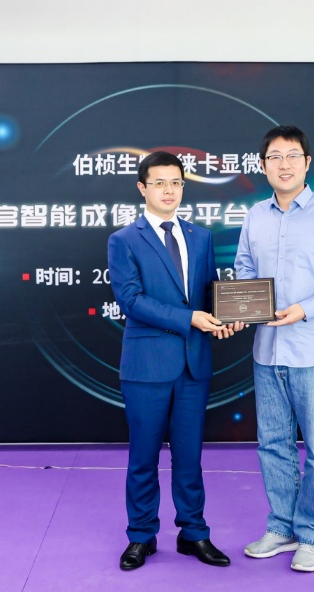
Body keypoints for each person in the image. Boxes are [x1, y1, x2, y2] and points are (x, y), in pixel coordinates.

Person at [235, 125, 314, 572]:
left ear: (307, 163)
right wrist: (241, 306)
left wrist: (306, 309)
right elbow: (244, 269)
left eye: (293, 155)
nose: (284, 164)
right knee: (272, 444)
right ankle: (282, 527)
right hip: (267, 352)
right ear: (263, 166)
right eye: (274, 157)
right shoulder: (255, 215)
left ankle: (312, 535)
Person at [107, 150, 238, 571]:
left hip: (193, 364)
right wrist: (190, 319)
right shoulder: (124, 240)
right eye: (159, 183)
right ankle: (141, 536)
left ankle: (194, 533)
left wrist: (226, 318)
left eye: (176, 182)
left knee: (189, 457)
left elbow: (210, 292)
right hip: (146, 366)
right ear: (142, 188)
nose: (169, 190)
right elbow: (130, 300)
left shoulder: (201, 237)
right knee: (143, 458)